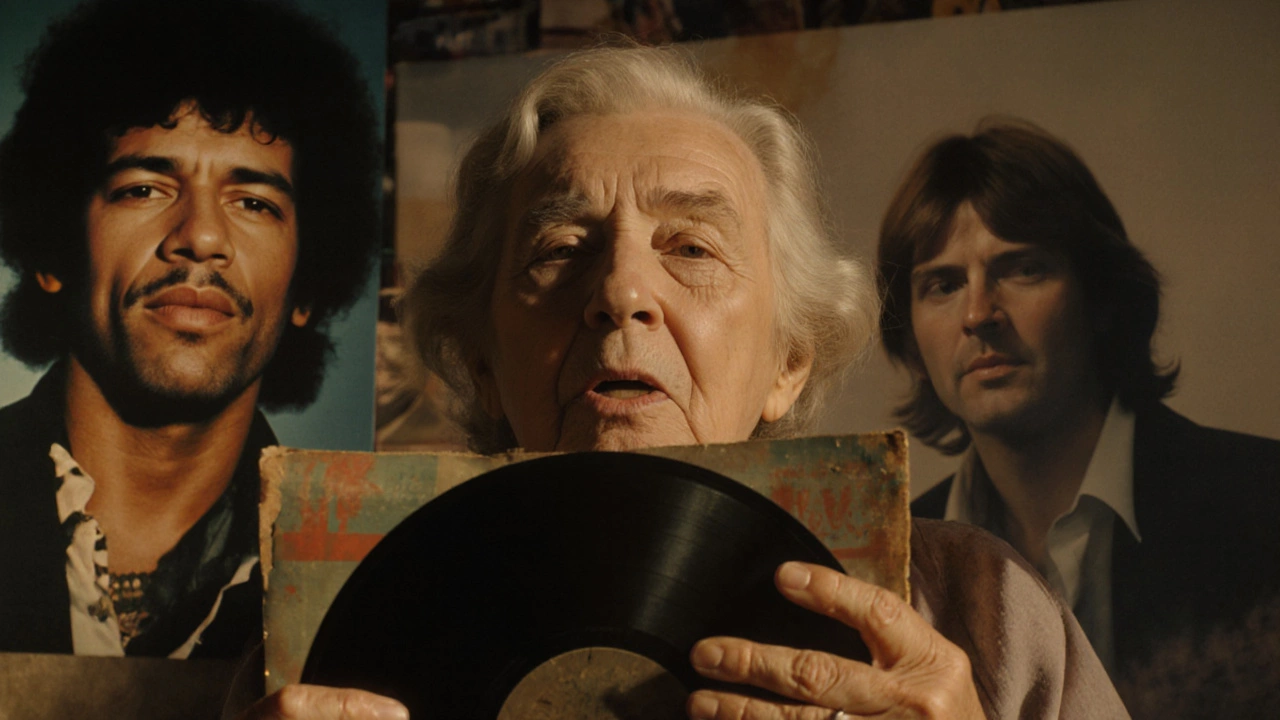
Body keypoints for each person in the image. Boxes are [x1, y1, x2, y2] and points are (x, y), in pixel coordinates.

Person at [306, 46, 1123, 720]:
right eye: (559, 249)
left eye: (692, 248)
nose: (621, 291)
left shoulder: (993, 612)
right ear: (481, 362)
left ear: (788, 362)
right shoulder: (316, 638)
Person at [0, 0, 379, 660]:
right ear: (53, 251)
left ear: (307, 286)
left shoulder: (368, 581)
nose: (201, 236)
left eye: (253, 202)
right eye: (143, 189)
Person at [877, 120, 1280, 713]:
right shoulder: (892, 558)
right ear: (910, 341)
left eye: (1022, 269)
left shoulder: (1263, 500)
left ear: (1102, 297)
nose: (979, 314)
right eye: (943, 284)